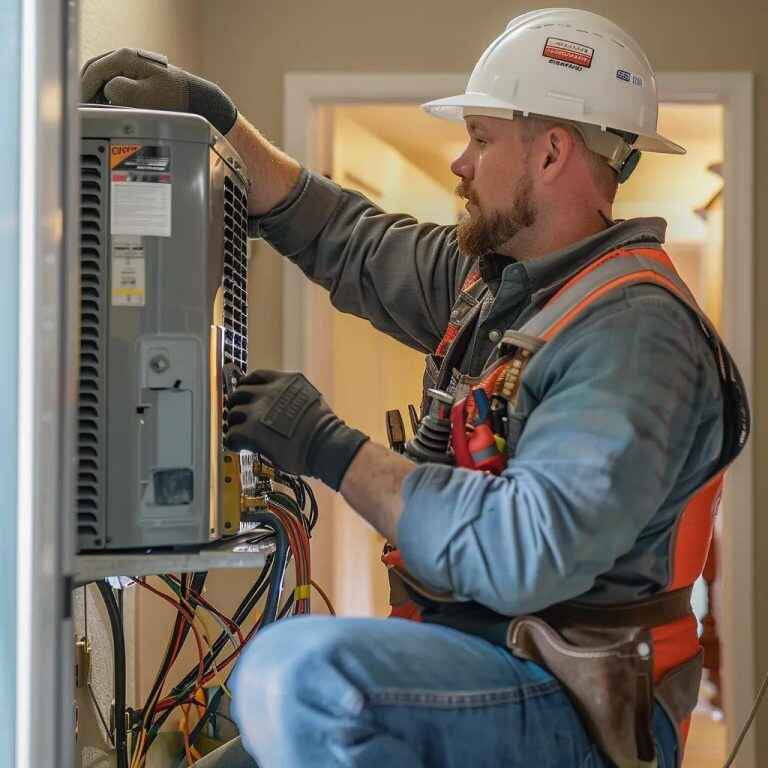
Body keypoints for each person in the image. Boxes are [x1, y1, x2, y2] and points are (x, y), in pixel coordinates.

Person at [81, 8, 749, 768]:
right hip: (487, 658)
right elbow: (347, 238)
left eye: (482, 138)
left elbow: (525, 549)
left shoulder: (633, 334)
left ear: (553, 152)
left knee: (299, 674)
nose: (461, 163)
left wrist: (332, 449)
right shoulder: (504, 290)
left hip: (581, 705)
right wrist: (221, 123)